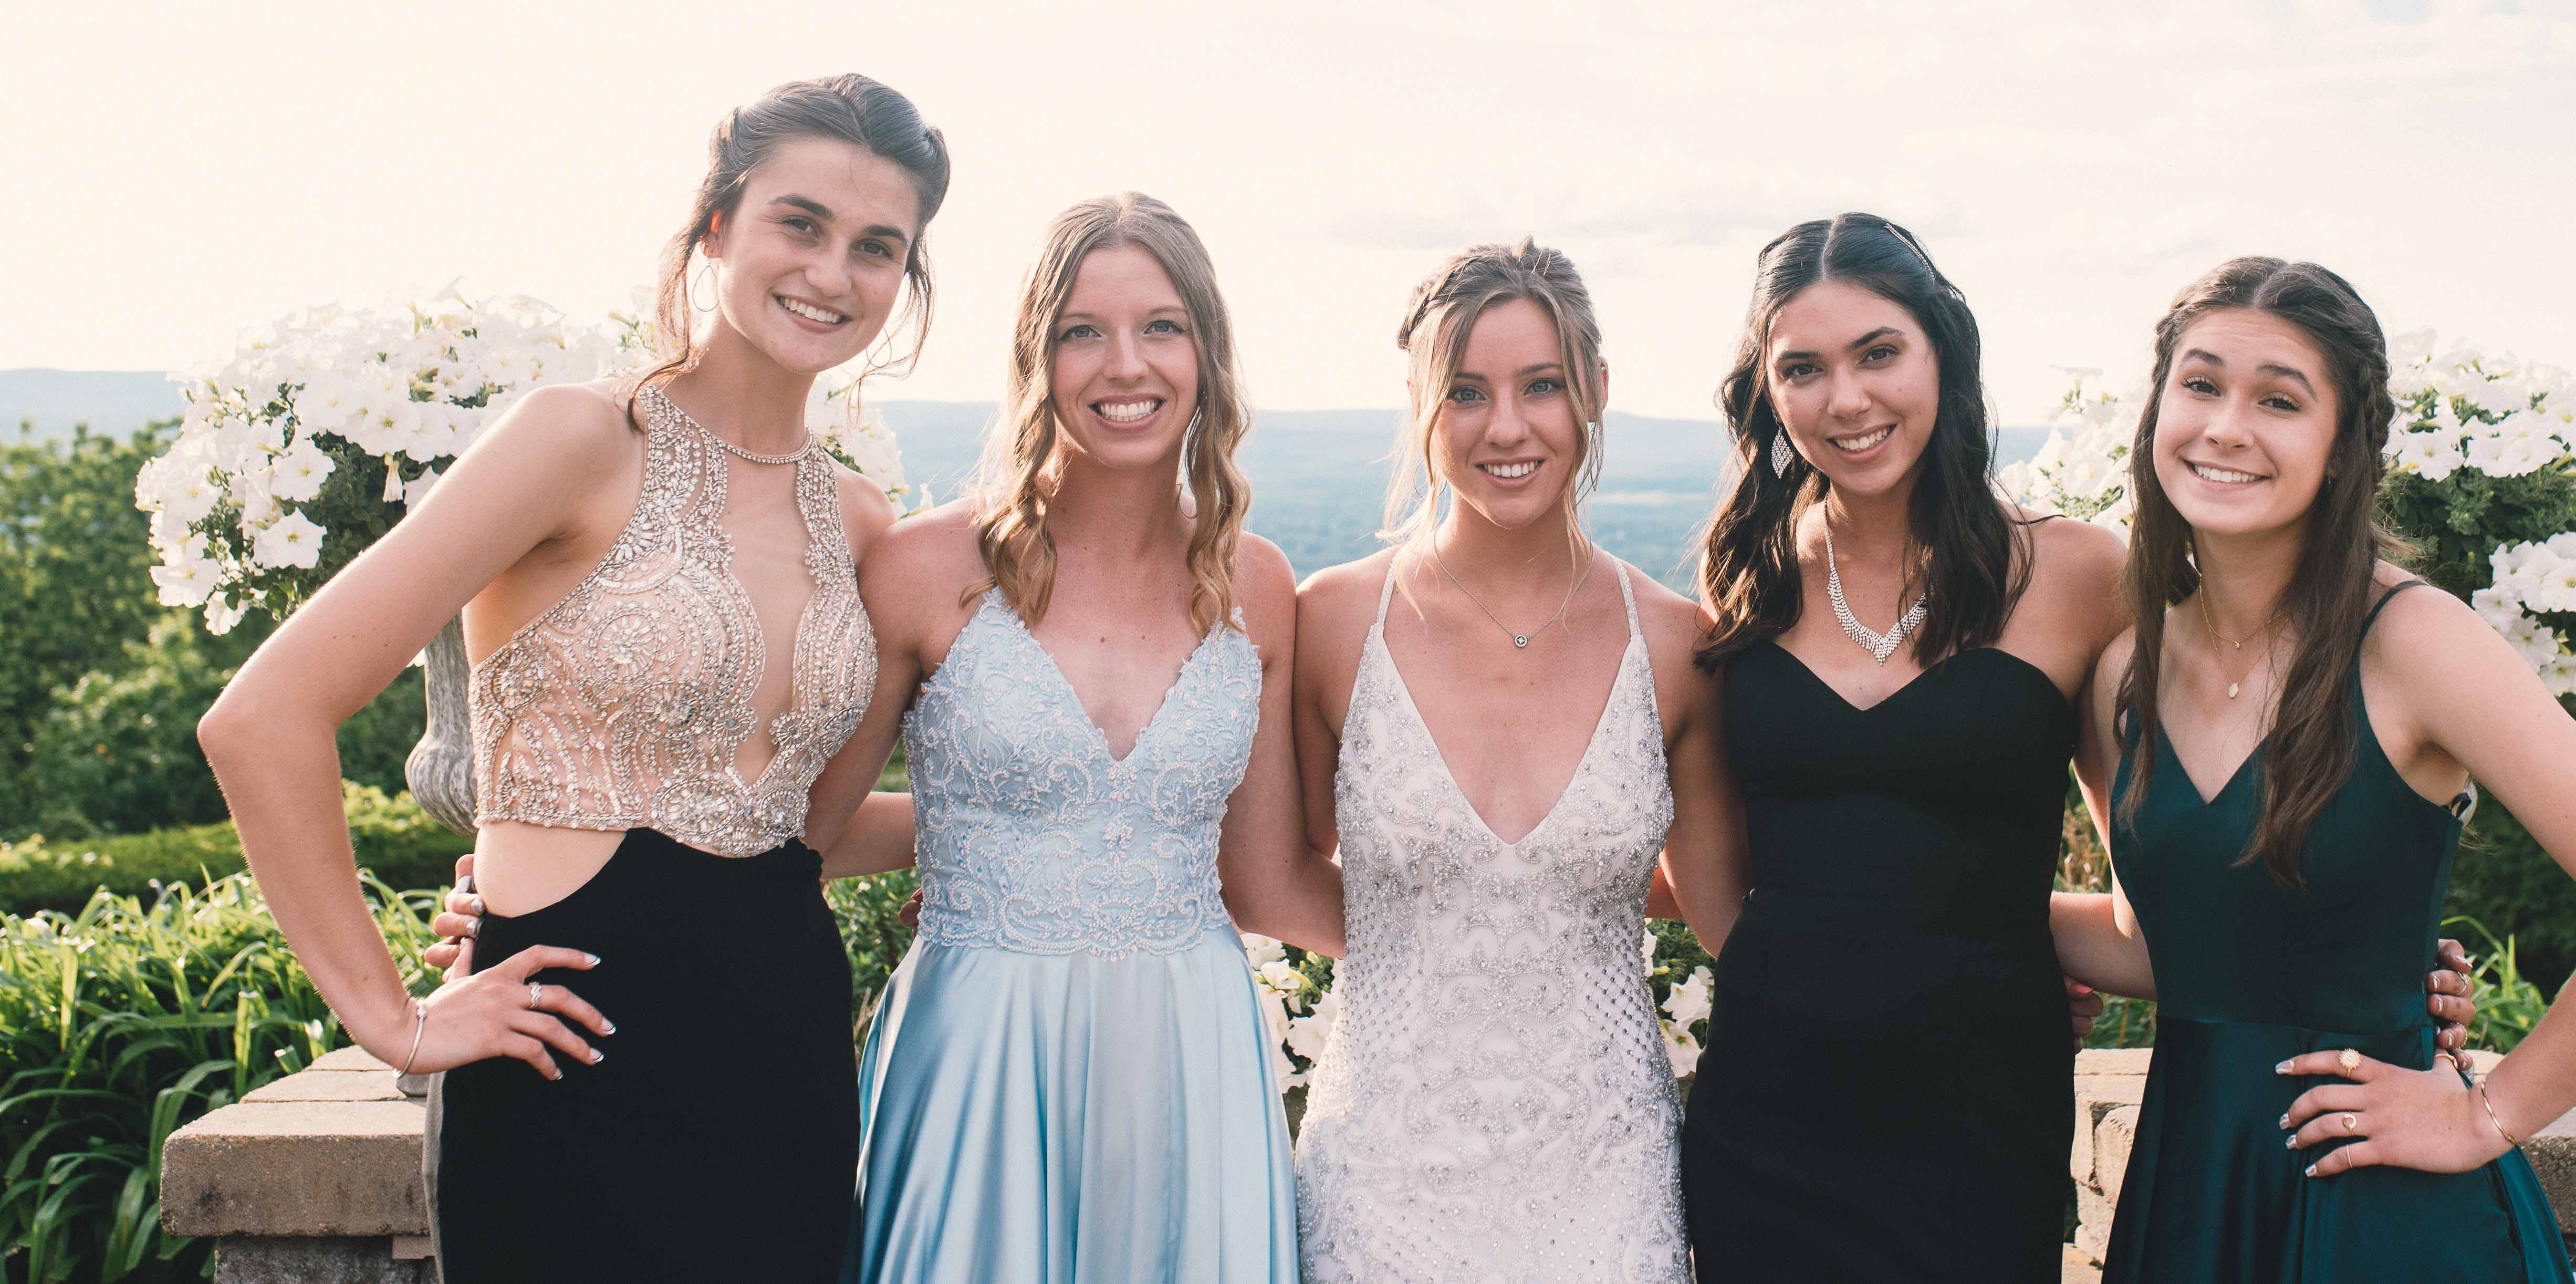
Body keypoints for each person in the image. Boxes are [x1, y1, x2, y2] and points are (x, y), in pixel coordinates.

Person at [201, 75, 952, 1284]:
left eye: (877, 246)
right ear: (718, 224)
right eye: (800, 223)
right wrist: (391, 1016)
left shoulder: (859, 519)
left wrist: (1028, 827)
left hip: (785, 1054)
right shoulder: (579, 440)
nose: (832, 272)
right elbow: (264, 715)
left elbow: (789, 828)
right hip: (565, 1056)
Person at [1673, 216, 2474, 1282]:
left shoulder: (2082, 575)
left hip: (1980, 1111)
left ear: (1942, 354)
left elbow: (2162, 878)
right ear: (1766, 391)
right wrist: (1867, 957)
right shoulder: (1745, 580)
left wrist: (2364, 957)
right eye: (1802, 369)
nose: (1846, 399)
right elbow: (1723, 883)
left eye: (1878, 353)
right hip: (1767, 1111)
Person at [2062, 257, 2576, 1283]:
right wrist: (1912, 914)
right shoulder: (2125, 668)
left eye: (2278, 400)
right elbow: (2150, 942)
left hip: (2379, 1209)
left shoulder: (2415, 641)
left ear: (2344, 446)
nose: (2225, 427)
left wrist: (2482, 1115)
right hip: (2195, 1188)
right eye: (2199, 385)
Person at [830, 194, 1341, 1284]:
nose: (1126, 364)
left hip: (1192, 1059)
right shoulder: (925, 568)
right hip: (978, 1053)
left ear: (1206, 353)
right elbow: (801, 835)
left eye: (1161, 327)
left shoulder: (1255, 584)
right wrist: (542, 881)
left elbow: (1266, 880)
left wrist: (1524, 934)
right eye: (1082, 331)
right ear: (1036, 355)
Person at [1290, 239, 1747, 1282]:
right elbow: (1274, 869)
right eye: (1465, 392)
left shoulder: (1677, 645)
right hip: (1383, 1176)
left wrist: (1987, 965)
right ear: (1419, 401)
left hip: (1607, 1178)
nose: (1506, 427)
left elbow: (1730, 914)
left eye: (1540, 385)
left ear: (1595, 390)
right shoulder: (1333, 621)